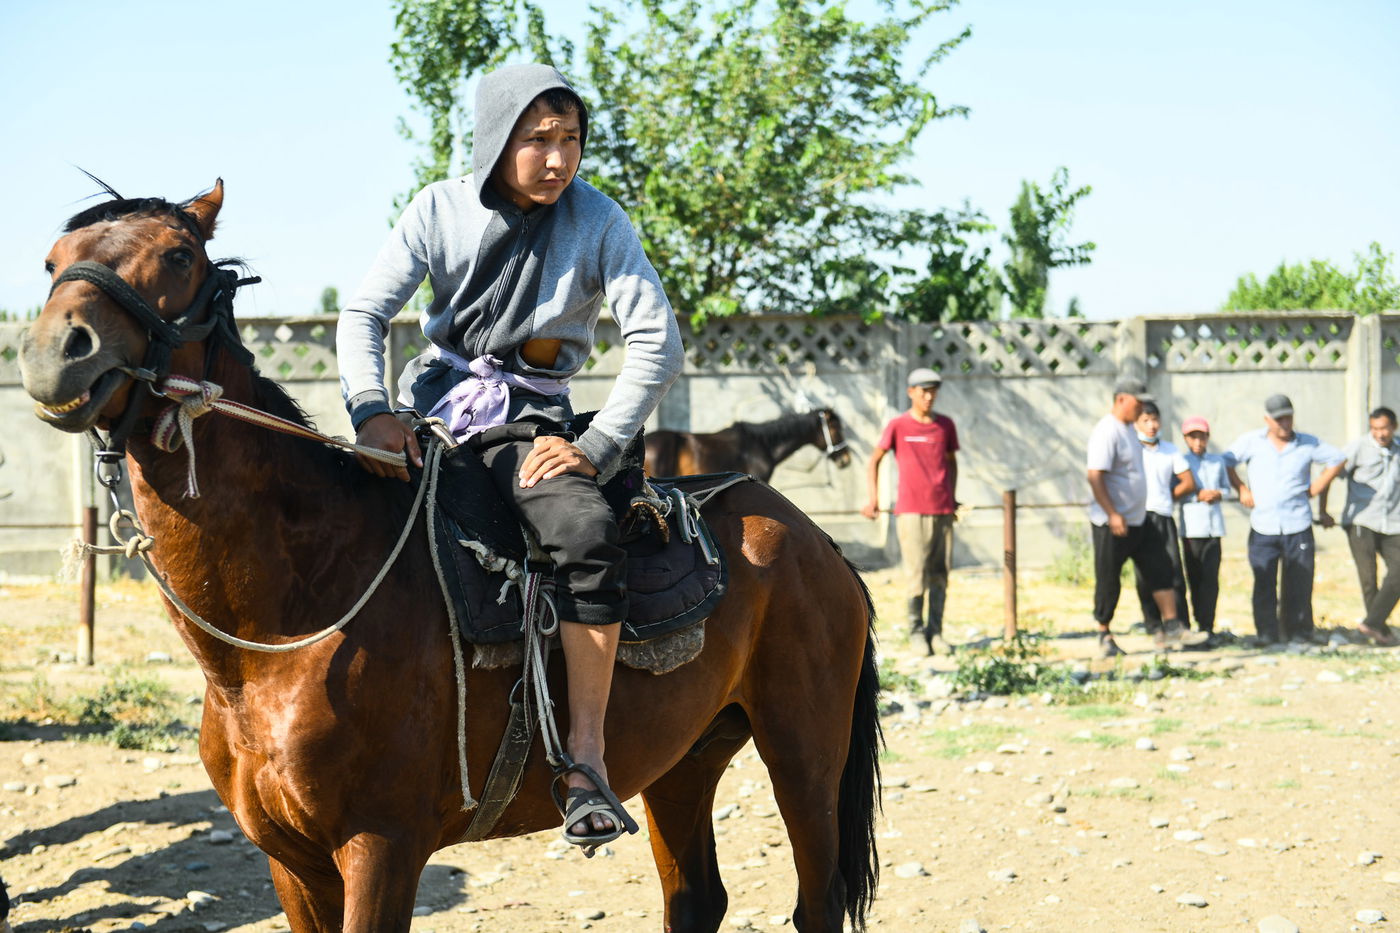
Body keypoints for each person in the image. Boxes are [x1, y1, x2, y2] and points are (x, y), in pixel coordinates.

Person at [335, 64, 684, 849]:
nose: (559, 160)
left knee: (587, 537)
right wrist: (371, 412)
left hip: (529, 426)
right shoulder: (439, 208)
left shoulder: (599, 221)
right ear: (497, 139)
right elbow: (365, 311)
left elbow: (658, 339)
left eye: (572, 140)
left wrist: (593, 448)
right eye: (538, 140)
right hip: (429, 415)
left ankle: (585, 760)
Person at [1227, 394, 1345, 646]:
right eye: (1278, 419)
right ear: (1267, 420)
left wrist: (1320, 484)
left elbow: (1337, 459)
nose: (1284, 423)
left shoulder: (1307, 443)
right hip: (1263, 525)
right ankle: (1267, 634)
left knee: (1299, 582)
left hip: (1297, 523)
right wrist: (1241, 489)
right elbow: (1227, 461)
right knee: (1264, 582)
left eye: (1288, 417)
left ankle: (1299, 633)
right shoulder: (1251, 442)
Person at [1085, 377, 1187, 656]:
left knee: (1159, 568)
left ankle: (1173, 626)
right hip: (1112, 523)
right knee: (1109, 577)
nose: (1141, 406)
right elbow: (1095, 476)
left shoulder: (1130, 430)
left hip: (1139, 519)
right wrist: (1112, 513)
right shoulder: (1107, 431)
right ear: (1121, 399)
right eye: (1137, 401)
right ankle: (1104, 633)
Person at [861, 368, 959, 656]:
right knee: (916, 574)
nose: (929, 396)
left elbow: (951, 463)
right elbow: (874, 461)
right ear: (911, 392)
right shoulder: (898, 425)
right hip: (911, 511)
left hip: (943, 510)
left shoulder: (945, 426)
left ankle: (936, 632)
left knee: (940, 573)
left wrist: (952, 497)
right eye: (923, 391)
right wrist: (874, 499)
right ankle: (916, 633)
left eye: (933, 391)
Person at [1327, 406, 1400, 646]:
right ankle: (1380, 631)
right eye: (1375, 429)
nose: (1380, 434)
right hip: (1361, 520)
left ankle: (1371, 624)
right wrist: (1322, 508)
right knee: (1369, 578)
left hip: (1392, 522)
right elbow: (1331, 471)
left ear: (1394, 427)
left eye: (1385, 428)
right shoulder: (1358, 447)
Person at [1132, 401, 1195, 636]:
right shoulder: (1132, 448)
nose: (1151, 425)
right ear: (1136, 422)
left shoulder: (1170, 450)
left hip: (1163, 516)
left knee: (1173, 572)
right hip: (1139, 517)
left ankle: (1180, 625)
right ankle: (1154, 626)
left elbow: (1188, 482)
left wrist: (1167, 495)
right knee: (1144, 575)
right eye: (1145, 421)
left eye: (1155, 419)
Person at [1177, 416, 1232, 646]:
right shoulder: (1181, 461)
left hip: (1213, 528)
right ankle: (1192, 623)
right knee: (1194, 577)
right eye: (1193, 437)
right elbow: (1177, 490)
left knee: (1211, 579)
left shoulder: (1216, 462)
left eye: (1201, 436)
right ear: (1186, 439)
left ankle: (1208, 625)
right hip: (1192, 528)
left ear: (1208, 438)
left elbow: (1227, 489)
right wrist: (1197, 495)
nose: (1198, 441)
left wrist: (1217, 494)